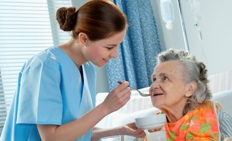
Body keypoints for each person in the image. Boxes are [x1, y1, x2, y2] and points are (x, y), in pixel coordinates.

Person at [0, 0, 146, 141]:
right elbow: (52, 138)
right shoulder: (44, 66)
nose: (115, 55)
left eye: (117, 46)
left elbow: (78, 131)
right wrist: (106, 107)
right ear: (83, 39)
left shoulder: (88, 69)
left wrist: (120, 130)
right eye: (109, 47)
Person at [146, 49, 232, 140]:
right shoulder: (150, 127)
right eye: (154, 79)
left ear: (190, 89)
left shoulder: (218, 120)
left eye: (165, 78)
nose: (153, 85)